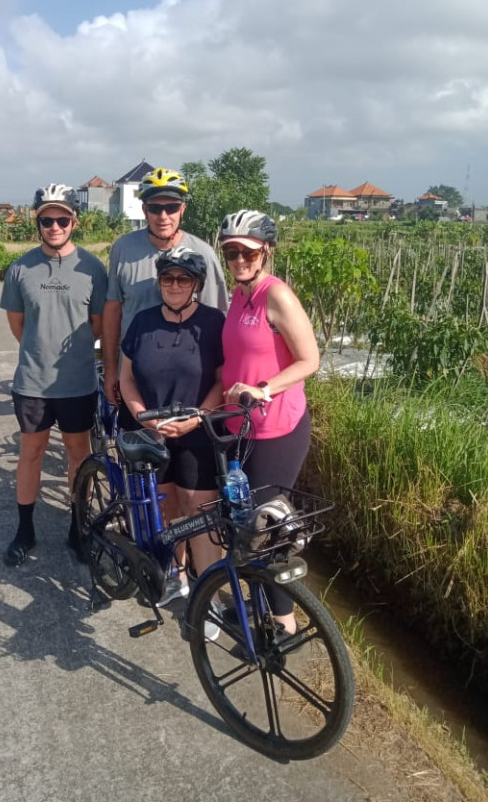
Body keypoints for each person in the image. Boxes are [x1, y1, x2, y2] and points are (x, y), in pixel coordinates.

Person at [219, 210, 320, 635]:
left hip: (277, 427)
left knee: (268, 526)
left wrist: (263, 386)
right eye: (230, 252)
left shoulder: (276, 295)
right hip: (241, 426)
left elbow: (310, 359)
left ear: (266, 251)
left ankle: (283, 624)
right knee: (246, 522)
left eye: (247, 251)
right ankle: (257, 607)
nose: (239, 259)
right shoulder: (240, 294)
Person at [0, 183, 107, 567]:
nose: (54, 226)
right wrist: (40, 348)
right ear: (38, 223)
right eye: (47, 219)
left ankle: (78, 527)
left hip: (77, 383)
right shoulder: (20, 269)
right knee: (31, 453)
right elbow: (19, 326)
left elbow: (97, 326)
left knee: (79, 454)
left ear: (74, 222)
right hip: (32, 382)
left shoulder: (93, 269)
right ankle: (25, 530)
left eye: (62, 218)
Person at [119, 247, 224, 611]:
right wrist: (143, 416)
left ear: (195, 284)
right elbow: (125, 377)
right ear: (159, 283)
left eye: (183, 279)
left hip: (197, 433)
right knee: (165, 509)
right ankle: (176, 575)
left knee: (199, 513)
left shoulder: (213, 323)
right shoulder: (143, 322)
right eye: (168, 278)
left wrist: (199, 416)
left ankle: (206, 596)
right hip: (153, 434)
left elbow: (222, 381)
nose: (174, 285)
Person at [103, 167, 228, 426]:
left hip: (190, 385)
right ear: (143, 209)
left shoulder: (203, 253)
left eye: (171, 207)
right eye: (154, 208)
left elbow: (217, 321)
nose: (163, 216)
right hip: (136, 380)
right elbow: (113, 309)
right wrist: (111, 370)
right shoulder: (123, 249)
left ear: (182, 209)